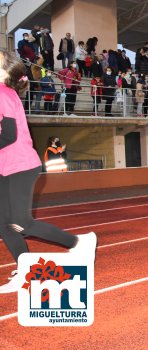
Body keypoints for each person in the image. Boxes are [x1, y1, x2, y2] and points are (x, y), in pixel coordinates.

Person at [0, 50, 96, 293]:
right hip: (6, 167)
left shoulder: (2, 92)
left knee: (20, 223)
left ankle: (78, 242)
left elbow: (9, 135)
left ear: (5, 70)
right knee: (3, 224)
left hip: (20, 165)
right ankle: (25, 270)